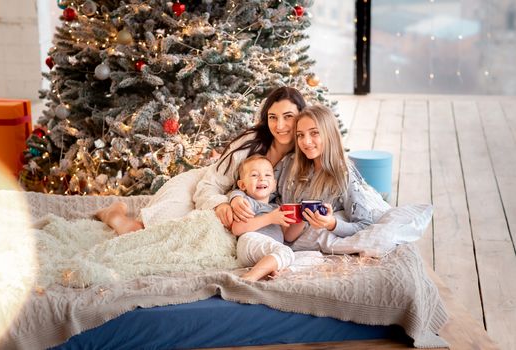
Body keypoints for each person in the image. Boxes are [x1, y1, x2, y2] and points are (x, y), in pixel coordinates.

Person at [96, 86, 306, 234]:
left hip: (236, 215)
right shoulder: (250, 142)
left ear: (301, 116)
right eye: (273, 117)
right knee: (140, 232)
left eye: (288, 116)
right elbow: (210, 184)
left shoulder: (302, 153)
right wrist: (223, 204)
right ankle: (114, 213)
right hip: (203, 186)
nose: (279, 125)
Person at [277, 104, 389, 252]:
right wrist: (236, 197)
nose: (306, 141)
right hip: (279, 239)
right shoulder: (289, 163)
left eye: (314, 133)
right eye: (300, 135)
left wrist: (331, 224)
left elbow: (364, 225)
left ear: (329, 134)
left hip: (308, 247)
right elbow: (260, 191)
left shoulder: (343, 174)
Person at [229, 154, 301, 281]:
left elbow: (288, 236)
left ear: (274, 184)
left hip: (267, 251)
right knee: (286, 253)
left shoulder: (276, 208)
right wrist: (270, 218)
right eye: (254, 175)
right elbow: (237, 229)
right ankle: (249, 278)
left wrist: (303, 220)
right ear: (242, 185)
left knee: (314, 256)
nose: (262, 178)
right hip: (249, 242)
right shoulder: (247, 202)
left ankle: (271, 270)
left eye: (267, 175)